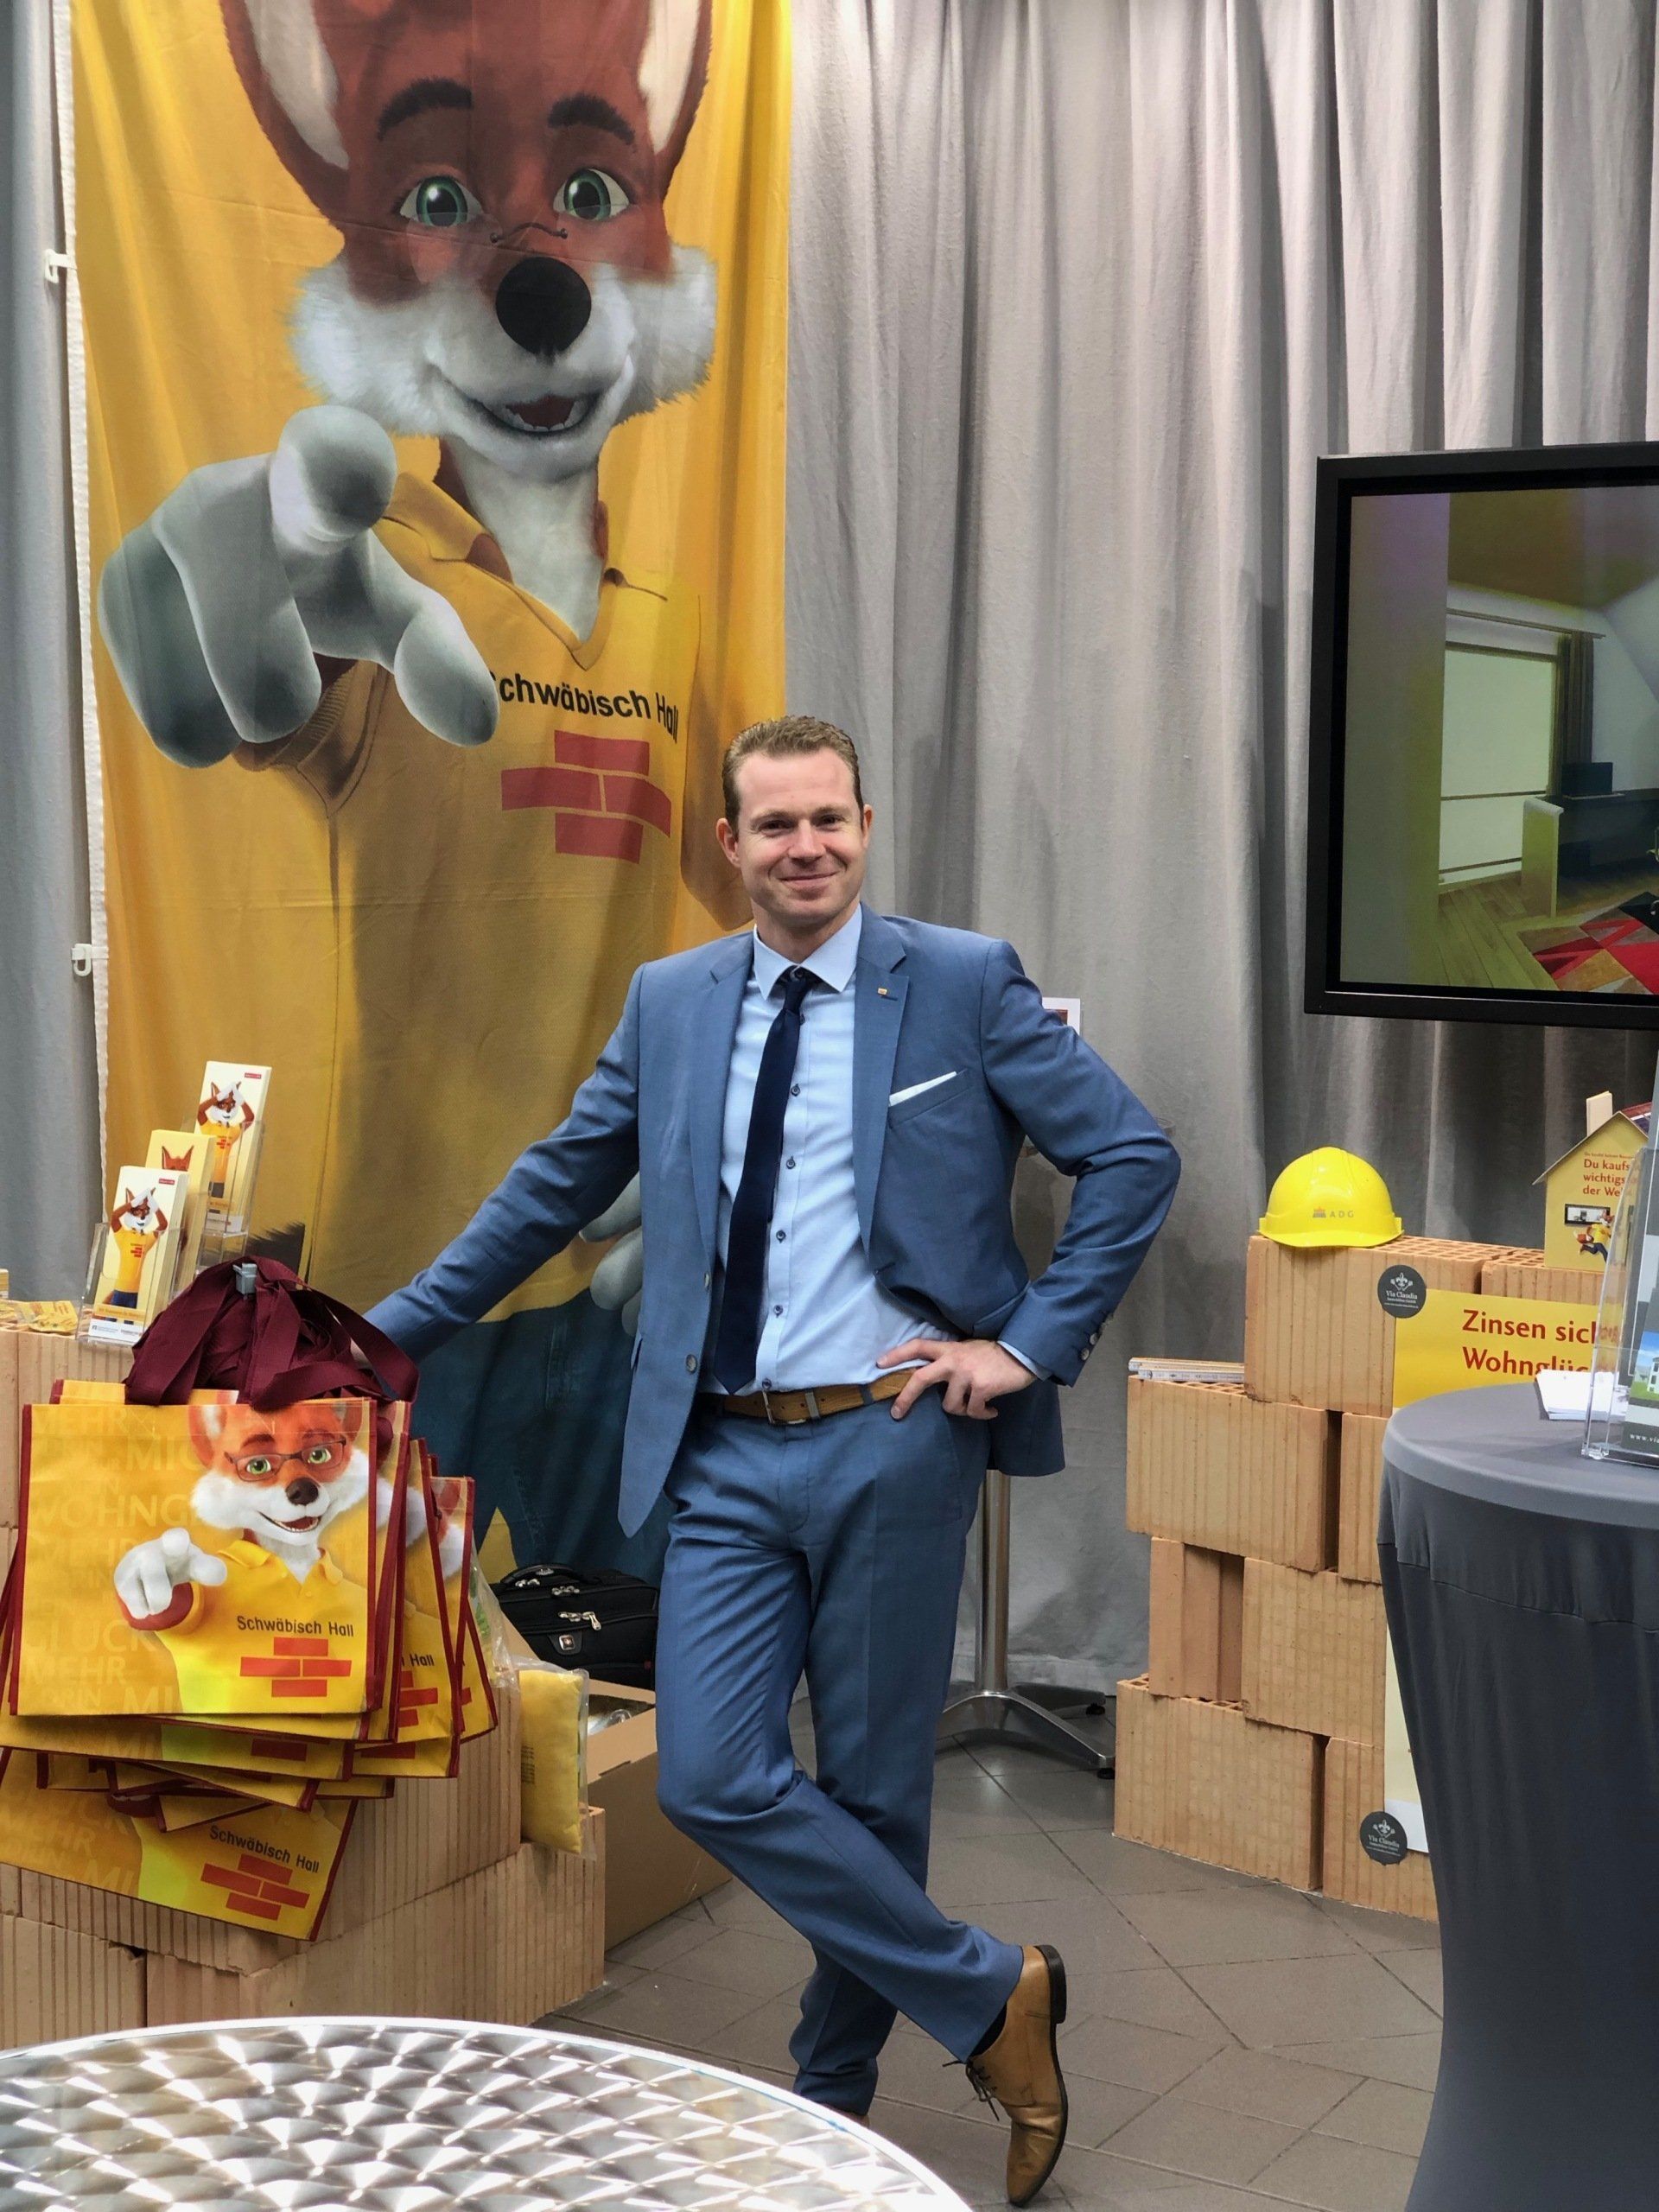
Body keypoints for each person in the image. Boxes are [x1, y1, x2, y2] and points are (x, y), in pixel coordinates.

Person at [369, 715, 1179, 2205]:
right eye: (777, 825)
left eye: (830, 820)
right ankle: (991, 1991)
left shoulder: (961, 981)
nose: (807, 848)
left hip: (892, 1439)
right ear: (729, 845)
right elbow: (554, 1185)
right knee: (713, 1773)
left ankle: (832, 2103)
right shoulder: (673, 999)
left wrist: (1025, 1344)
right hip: (724, 1453)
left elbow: (1130, 1156)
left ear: (865, 826)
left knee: (871, 1794)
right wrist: (382, 1338)